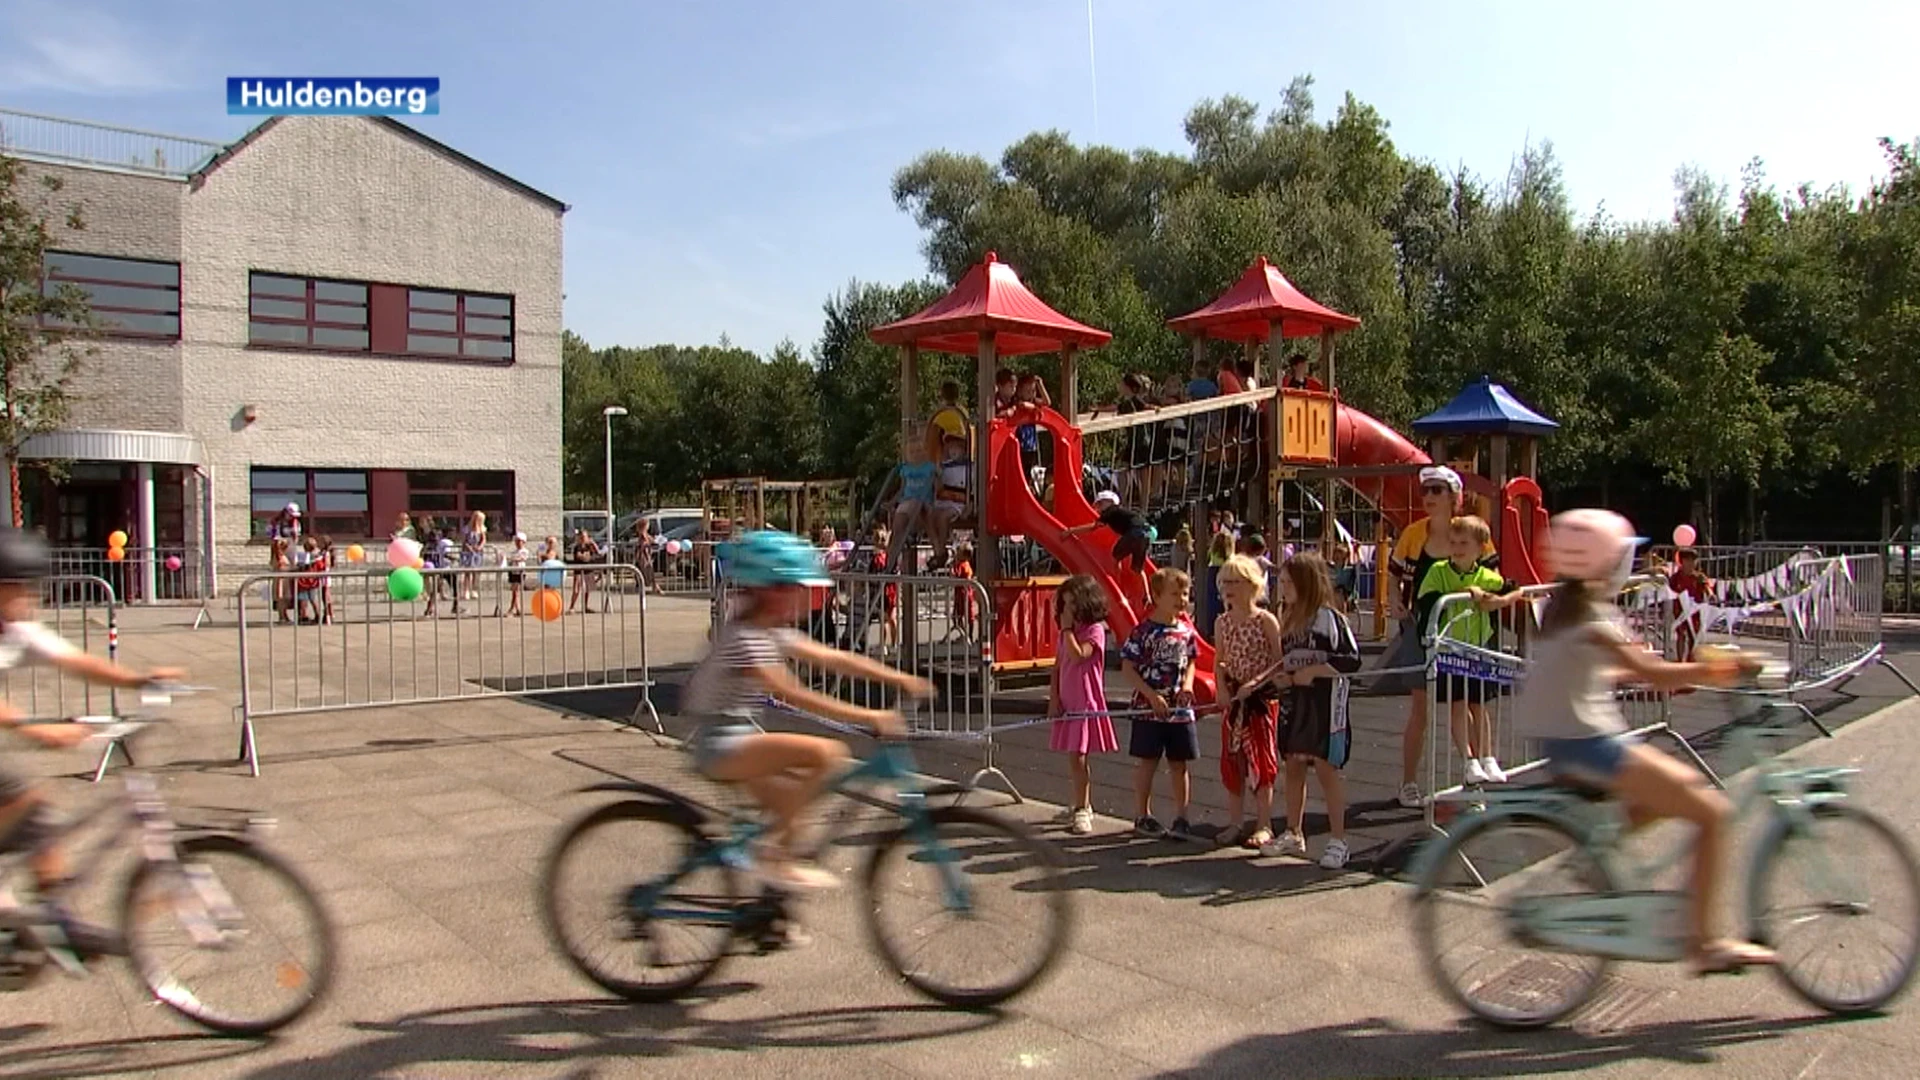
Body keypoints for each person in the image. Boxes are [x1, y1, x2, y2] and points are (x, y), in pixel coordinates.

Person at [1517, 509, 1774, 974]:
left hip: (1571, 741)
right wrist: (1717, 668)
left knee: (1671, 794)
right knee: (1714, 813)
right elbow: (1653, 674)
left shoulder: (1563, 609)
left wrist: (1626, 670)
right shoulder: (1592, 616)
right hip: (1588, 743)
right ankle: (1707, 942)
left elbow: (1584, 667)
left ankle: (1592, 855)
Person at [683, 531, 928, 892]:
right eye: (794, 587)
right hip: (721, 743)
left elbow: (833, 657)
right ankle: (775, 861)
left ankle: (770, 906)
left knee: (791, 812)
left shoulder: (769, 631)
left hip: (741, 736)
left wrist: (899, 677)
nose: (803, 596)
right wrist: (869, 717)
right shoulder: (746, 640)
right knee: (827, 754)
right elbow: (793, 693)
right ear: (769, 589)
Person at [0, 527, 184, 959]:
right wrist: (34, 730)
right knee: (20, 802)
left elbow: (74, 660)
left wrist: (140, 679)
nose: (30, 597)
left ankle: (51, 920)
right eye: (21, 588)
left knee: (35, 816)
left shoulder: (16, 629)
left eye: (33, 587)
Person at [1387, 465, 1494, 808]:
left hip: (1465, 633)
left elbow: (1492, 574)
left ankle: (1474, 777)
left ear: (1454, 496)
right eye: (1425, 491)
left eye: (1437, 490)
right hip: (1424, 630)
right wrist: (1394, 600)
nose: (1429, 497)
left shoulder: (1472, 532)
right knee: (1420, 707)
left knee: (1471, 704)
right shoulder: (1414, 534)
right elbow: (1394, 572)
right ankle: (1408, 782)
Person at [1269, 552, 1363, 867]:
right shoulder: (1288, 617)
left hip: (1326, 705)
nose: (1282, 588)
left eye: (1287, 582)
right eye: (1280, 582)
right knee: (1293, 766)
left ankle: (1339, 840)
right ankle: (1294, 831)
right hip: (1296, 704)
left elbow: (1351, 660)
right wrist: (1284, 678)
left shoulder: (1329, 618)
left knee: (1326, 769)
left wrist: (1315, 671)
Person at [1417, 515, 1527, 785]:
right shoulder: (1438, 570)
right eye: (1453, 542)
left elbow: (1517, 589)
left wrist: (1497, 602)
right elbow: (1428, 599)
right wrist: (1467, 592)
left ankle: (1488, 757)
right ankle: (1469, 760)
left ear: (1480, 548)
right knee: (1458, 705)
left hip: (1477, 649)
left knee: (1479, 706)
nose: (1457, 547)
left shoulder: (1486, 575)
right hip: (1451, 649)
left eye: (1464, 543)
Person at [1119, 568, 1199, 840]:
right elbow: (1128, 668)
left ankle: (1182, 816)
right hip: (1148, 709)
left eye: (1185, 594)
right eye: (1174, 594)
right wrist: (1151, 695)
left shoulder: (1186, 631)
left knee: (1180, 764)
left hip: (1178, 709)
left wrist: (1188, 685)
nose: (1181, 599)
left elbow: (1191, 662)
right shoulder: (1143, 631)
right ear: (1156, 596)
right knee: (1148, 762)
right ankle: (1143, 814)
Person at [1214, 554, 1283, 851]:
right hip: (1235, 699)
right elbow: (1219, 660)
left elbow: (1280, 663)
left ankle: (1264, 823)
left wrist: (1256, 683)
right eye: (1226, 581)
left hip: (1261, 700)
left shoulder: (1265, 620)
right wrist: (1221, 687)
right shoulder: (1222, 622)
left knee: (1261, 763)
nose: (1229, 588)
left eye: (1236, 582)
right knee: (1233, 761)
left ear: (1251, 585)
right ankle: (1235, 822)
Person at [1048, 574, 1117, 836]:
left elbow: (1078, 657)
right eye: (1064, 606)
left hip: (1085, 701)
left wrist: (1067, 630)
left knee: (1079, 756)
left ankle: (1083, 808)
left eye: (1072, 605)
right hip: (1068, 700)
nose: (1068, 612)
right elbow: (1057, 667)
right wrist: (1054, 698)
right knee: (1073, 756)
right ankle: (1079, 801)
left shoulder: (1094, 630)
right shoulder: (1066, 634)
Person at [1063, 491, 1154, 608]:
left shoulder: (1110, 511)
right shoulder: (1121, 514)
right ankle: (1147, 596)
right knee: (1137, 569)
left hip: (1135, 533)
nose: (1098, 508)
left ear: (1111, 502)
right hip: (1146, 534)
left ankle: (1118, 586)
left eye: (1100, 504)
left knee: (1115, 556)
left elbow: (1092, 528)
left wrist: (1070, 531)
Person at [885, 433, 938, 571]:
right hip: (907, 500)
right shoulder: (906, 469)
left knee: (918, 510)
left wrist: (936, 499)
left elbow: (936, 485)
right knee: (897, 525)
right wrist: (892, 502)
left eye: (918, 451)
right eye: (912, 452)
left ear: (924, 452)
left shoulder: (929, 467)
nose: (916, 454)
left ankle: (913, 534)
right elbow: (903, 488)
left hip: (923, 501)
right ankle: (890, 562)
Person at [1668, 547, 1713, 662]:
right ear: (1681, 562)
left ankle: (1691, 658)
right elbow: (1669, 591)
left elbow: (1707, 587)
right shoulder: (1675, 578)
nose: (1691, 564)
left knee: (1693, 635)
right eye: (1687, 560)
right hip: (1680, 609)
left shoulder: (1699, 577)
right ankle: (1679, 660)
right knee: (1681, 635)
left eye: (1693, 561)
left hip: (1695, 610)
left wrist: (1711, 594)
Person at [926, 379, 970, 463]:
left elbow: (932, 441)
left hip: (947, 460)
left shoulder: (940, 415)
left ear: (942, 395)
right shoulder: (963, 413)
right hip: (965, 457)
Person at [568, 528, 602, 614]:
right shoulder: (577, 547)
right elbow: (580, 556)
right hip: (579, 569)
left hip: (588, 568)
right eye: (582, 537)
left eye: (585, 537)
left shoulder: (589, 546)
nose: (584, 539)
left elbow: (598, 552)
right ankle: (572, 606)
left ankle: (585, 606)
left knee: (587, 589)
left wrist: (593, 544)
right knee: (576, 588)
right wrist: (586, 555)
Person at [293, 535, 326, 624]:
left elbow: (298, 566)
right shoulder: (318, 558)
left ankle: (303, 616)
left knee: (303, 599)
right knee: (313, 599)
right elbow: (321, 567)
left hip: (303, 580)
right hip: (313, 581)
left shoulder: (302, 556)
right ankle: (318, 615)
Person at [498, 532, 531, 617]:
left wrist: (512, 559)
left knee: (516, 591)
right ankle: (517, 609)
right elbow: (510, 560)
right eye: (517, 541)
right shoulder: (513, 552)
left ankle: (512, 609)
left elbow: (521, 558)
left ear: (524, 542)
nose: (518, 543)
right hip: (513, 572)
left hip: (520, 572)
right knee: (514, 591)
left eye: (520, 541)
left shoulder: (525, 551)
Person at [460, 511, 488, 602]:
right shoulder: (467, 529)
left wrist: (480, 547)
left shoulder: (482, 529)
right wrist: (469, 547)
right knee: (467, 572)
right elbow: (464, 541)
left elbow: (483, 540)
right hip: (468, 552)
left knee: (476, 572)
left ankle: (474, 590)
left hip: (477, 553)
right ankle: (466, 590)